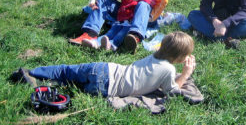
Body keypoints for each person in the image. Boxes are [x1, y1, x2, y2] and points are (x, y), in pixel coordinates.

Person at [15, 31, 196, 98]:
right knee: (74, 85)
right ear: (180, 57)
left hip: (104, 67)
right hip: (108, 87)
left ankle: (32, 72)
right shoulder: (169, 69)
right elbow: (172, 92)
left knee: (66, 71)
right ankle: (44, 86)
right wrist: (185, 74)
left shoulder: (153, 56)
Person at [81, 0, 156, 52]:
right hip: (120, 21)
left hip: (131, 22)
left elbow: (152, 1)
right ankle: (94, 42)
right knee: (110, 33)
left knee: (120, 35)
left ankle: (112, 45)